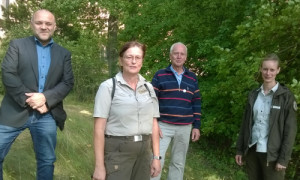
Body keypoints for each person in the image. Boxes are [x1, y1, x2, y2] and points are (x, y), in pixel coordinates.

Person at [0, 9, 74, 179]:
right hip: (14, 111)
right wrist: (31, 101)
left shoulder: (64, 54)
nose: (44, 27)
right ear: (31, 24)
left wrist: (45, 98)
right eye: (39, 22)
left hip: (46, 114)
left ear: (54, 27)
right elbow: (8, 74)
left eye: (48, 24)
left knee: (47, 160)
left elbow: (67, 82)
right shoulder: (17, 45)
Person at [92, 41, 161, 180]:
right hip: (118, 153)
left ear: (142, 60)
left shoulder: (148, 88)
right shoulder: (108, 87)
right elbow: (98, 130)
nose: (133, 61)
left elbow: (154, 124)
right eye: (129, 57)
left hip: (144, 153)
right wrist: (99, 167)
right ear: (121, 60)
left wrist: (156, 157)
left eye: (138, 57)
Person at [235, 53, 297, 180]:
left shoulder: (286, 97)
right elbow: (245, 124)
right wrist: (240, 150)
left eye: (272, 69)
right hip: (253, 151)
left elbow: (290, 131)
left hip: (273, 156)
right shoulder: (253, 94)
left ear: (278, 70)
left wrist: (283, 159)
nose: (268, 73)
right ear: (261, 69)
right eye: (265, 69)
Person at [150, 42, 201, 180]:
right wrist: (154, 124)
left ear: (186, 57)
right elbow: (151, 101)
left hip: (185, 127)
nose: (179, 56)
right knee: (156, 161)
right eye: (176, 53)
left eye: (182, 54)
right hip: (163, 126)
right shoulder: (160, 75)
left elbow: (196, 102)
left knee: (178, 164)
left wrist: (196, 126)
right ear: (170, 56)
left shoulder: (192, 77)